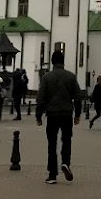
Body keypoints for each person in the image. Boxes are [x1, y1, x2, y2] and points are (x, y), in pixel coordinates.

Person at [35, 49, 82, 185]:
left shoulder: (47, 77)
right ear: (63, 62)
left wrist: (39, 115)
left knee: (52, 143)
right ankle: (65, 162)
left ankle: (52, 174)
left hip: (52, 114)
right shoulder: (71, 77)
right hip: (67, 113)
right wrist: (77, 115)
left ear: (52, 62)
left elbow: (41, 98)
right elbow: (78, 97)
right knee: (66, 140)